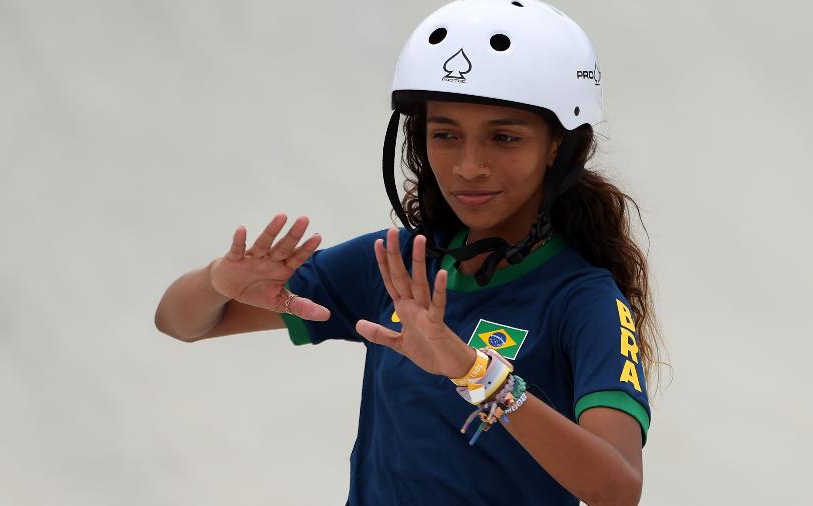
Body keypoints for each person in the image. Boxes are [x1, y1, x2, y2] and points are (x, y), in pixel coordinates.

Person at [155, 0, 665, 504]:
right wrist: (217, 280)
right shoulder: (395, 264)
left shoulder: (584, 299)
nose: (469, 166)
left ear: (559, 146)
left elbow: (617, 486)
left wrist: (477, 374)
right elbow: (179, 322)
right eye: (445, 134)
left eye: (504, 137)